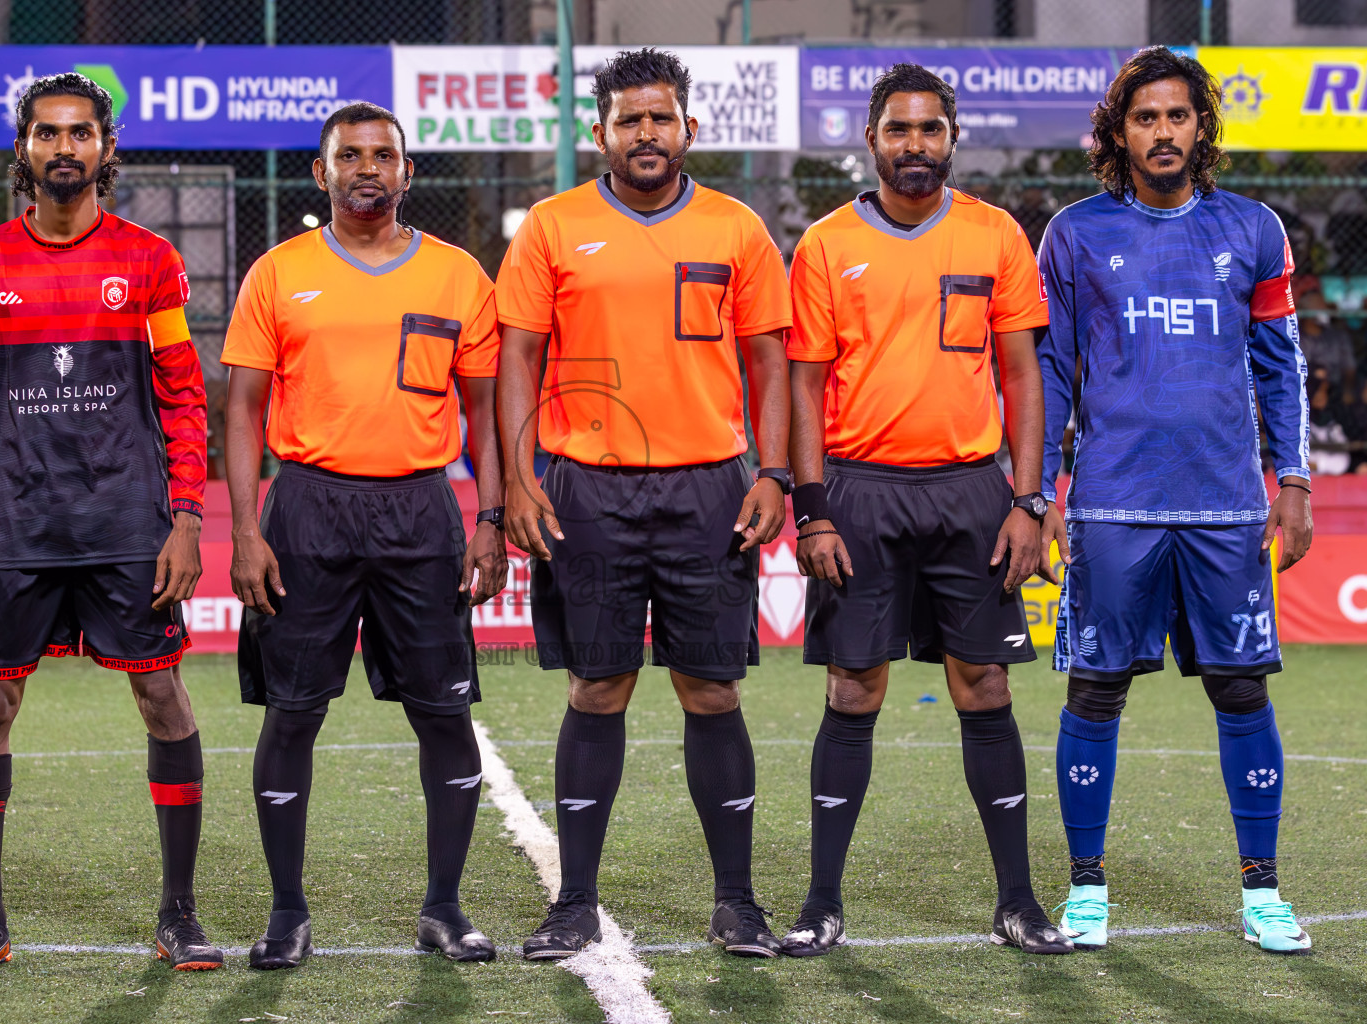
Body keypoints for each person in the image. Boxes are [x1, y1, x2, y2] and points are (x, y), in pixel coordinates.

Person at [498, 48, 794, 961]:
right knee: (599, 684)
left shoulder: (738, 229)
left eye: (661, 118)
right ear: (601, 133)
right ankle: (574, 903)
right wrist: (517, 476)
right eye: (629, 120)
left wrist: (774, 471)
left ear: (689, 127)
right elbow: (516, 357)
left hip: (710, 486)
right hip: (588, 485)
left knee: (711, 687)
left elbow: (771, 363)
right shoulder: (552, 226)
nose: (646, 133)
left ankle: (737, 903)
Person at [0, 73, 220, 975]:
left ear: (105, 148)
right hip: (15, 529)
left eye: (80, 134)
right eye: (48, 135)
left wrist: (186, 515)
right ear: (24, 149)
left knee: (164, 698)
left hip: (129, 527)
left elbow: (181, 393)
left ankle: (179, 913)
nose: (64, 149)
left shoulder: (149, 262)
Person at [781, 63, 1070, 958]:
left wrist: (1029, 498)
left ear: (952, 138)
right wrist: (813, 510)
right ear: (870, 140)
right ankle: (823, 902)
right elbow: (804, 386)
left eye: (931, 130)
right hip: (861, 490)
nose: (915, 146)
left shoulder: (995, 237)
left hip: (971, 491)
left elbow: (1024, 375)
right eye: (899, 130)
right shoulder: (826, 244)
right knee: (853, 686)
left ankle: (1018, 901)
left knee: (983, 684)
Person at [1037, 47, 1314, 954]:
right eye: (1146, 118)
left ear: (1203, 127)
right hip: (1114, 506)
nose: (1164, 132)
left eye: (1179, 116)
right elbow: (1051, 374)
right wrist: (1041, 493)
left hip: (1227, 506)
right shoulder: (1074, 235)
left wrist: (1296, 480)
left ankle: (1262, 893)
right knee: (1096, 691)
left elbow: (1282, 368)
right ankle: (1086, 889)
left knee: (1241, 690)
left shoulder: (1256, 229)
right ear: (1120, 131)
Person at [223, 102, 507, 968]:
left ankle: (445, 908)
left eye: (385, 154)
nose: (368, 168)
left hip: (421, 512)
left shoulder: (459, 276)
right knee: (293, 713)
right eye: (350, 155)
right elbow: (240, 407)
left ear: (408, 172)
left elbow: (488, 415)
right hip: (306, 510)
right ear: (322, 172)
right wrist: (245, 529)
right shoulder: (277, 273)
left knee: (443, 712)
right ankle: (286, 912)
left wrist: (488, 519)